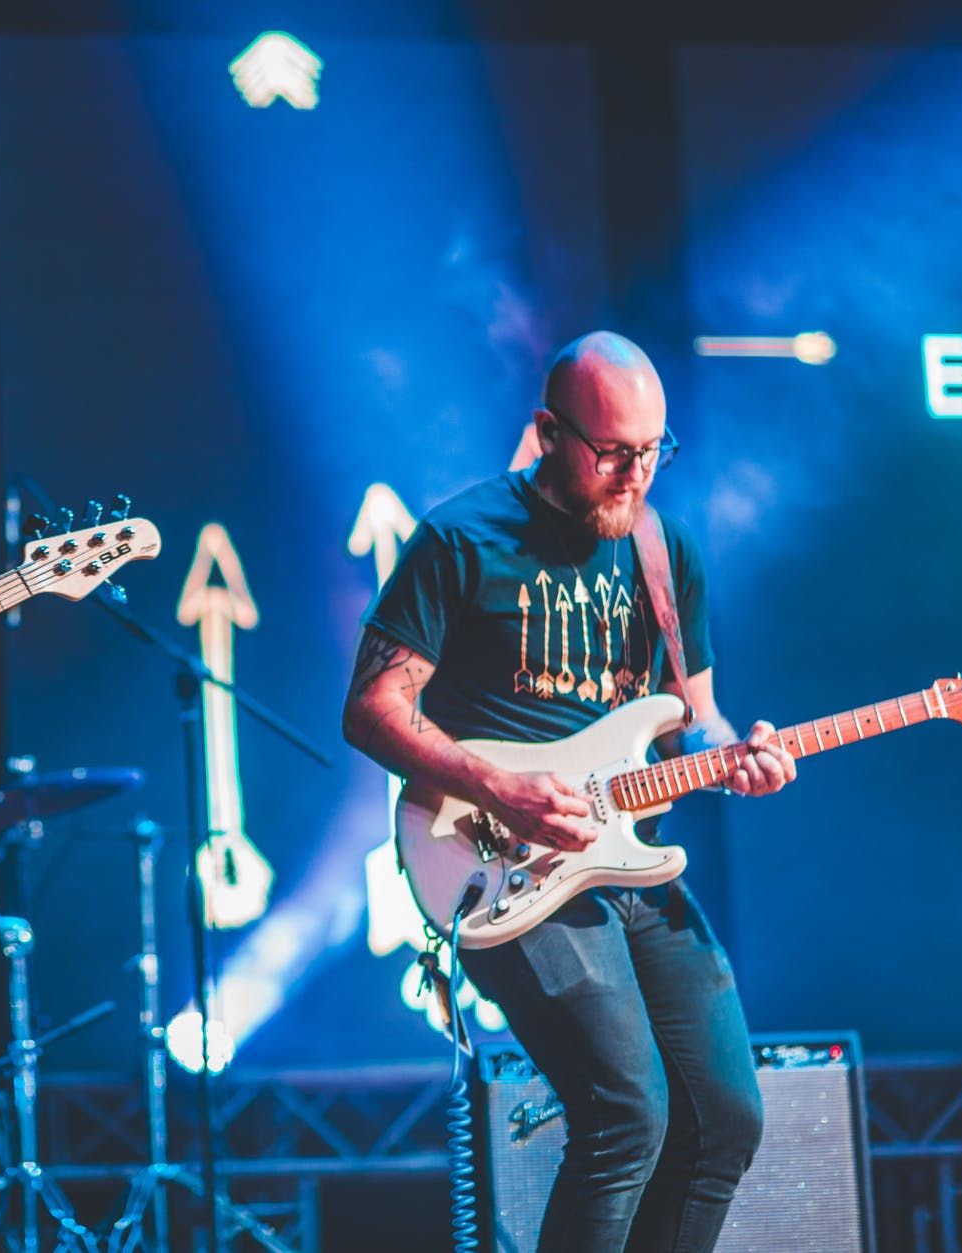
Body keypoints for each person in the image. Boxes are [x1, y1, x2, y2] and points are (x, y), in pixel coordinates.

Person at [342, 331, 796, 1252]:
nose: (634, 477)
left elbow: (693, 718)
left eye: (651, 452)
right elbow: (371, 708)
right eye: (612, 453)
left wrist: (738, 752)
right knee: (628, 1112)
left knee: (724, 1120)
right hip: (504, 866)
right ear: (548, 432)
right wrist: (496, 785)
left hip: (627, 861)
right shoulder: (461, 540)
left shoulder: (666, 553)